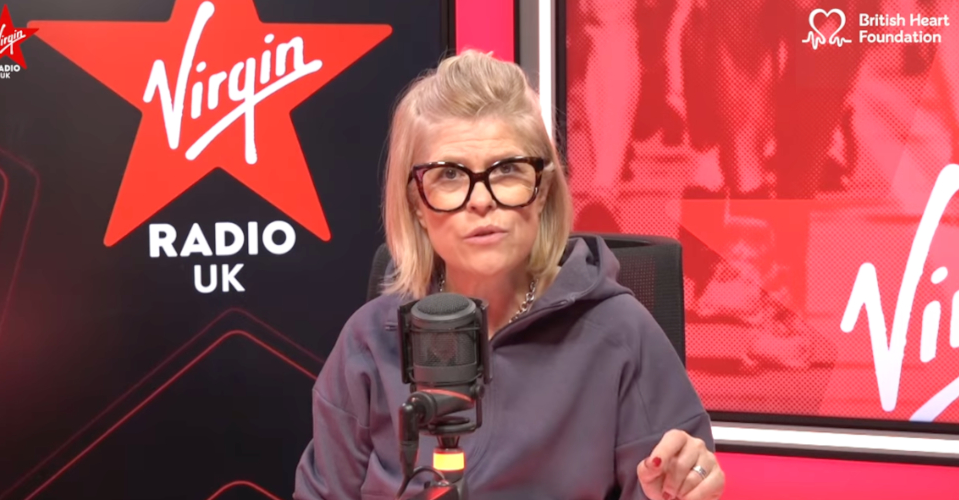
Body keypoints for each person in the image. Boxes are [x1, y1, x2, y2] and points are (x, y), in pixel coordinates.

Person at [293, 50, 725, 500]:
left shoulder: (621, 334)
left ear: (542, 191)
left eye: (507, 171)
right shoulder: (368, 340)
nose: (481, 201)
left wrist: (685, 487)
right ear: (417, 205)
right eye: (449, 175)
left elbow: (675, 482)